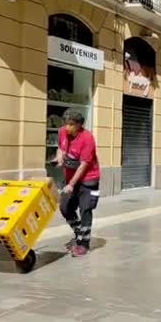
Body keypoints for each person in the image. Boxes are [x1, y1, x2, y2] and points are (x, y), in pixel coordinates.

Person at [54, 109, 100, 257]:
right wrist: (59, 157)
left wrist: (71, 184)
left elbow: (84, 165)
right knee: (64, 207)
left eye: (71, 124)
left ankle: (84, 244)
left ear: (79, 125)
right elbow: (61, 147)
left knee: (85, 209)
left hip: (88, 179)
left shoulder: (87, 139)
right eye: (66, 123)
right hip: (70, 178)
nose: (67, 127)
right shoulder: (62, 131)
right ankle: (79, 233)